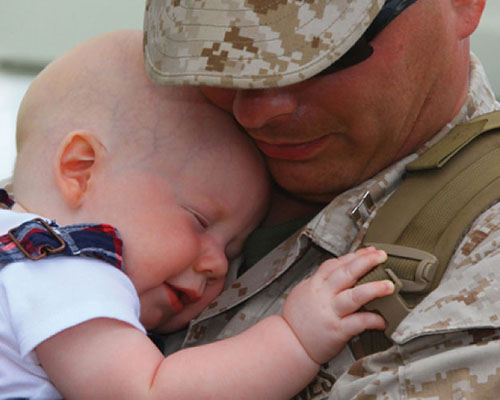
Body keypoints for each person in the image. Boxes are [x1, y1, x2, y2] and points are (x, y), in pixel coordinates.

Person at [0, 31, 394, 399]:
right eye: (199, 220)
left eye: (233, 248)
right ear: (80, 168)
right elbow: (151, 392)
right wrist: (295, 338)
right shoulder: (64, 272)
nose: (217, 264)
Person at [143, 0, 500, 398]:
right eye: (218, 53)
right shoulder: (132, 136)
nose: (256, 112)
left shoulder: (487, 247)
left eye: (326, 51)